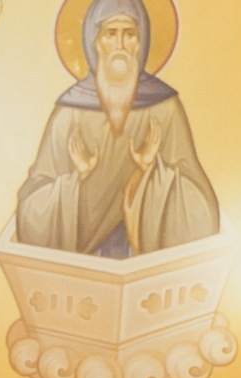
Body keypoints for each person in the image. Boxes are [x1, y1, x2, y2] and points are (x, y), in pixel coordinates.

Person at [14, 0, 220, 258]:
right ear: (95, 42)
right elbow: (31, 207)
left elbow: (201, 206)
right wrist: (77, 179)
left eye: (130, 34)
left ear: (141, 43)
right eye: (111, 34)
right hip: (84, 263)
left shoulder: (164, 108)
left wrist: (151, 172)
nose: (120, 46)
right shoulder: (70, 112)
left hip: (142, 264)